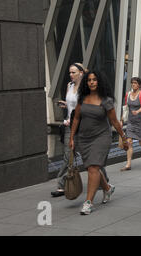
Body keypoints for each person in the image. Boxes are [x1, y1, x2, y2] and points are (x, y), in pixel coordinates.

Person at [70, 70, 127, 215]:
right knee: (92, 168)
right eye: (89, 80)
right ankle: (107, 189)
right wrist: (71, 138)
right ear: (86, 83)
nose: (91, 82)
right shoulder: (82, 99)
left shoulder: (106, 100)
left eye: (94, 80)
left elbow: (114, 121)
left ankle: (88, 202)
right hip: (84, 138)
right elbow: (76, 119)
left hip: (101, 137)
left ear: (99, 81)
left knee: (93, 168)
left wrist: (123, 137)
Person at [51, 63, 110, 197]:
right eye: (70, 73)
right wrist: (65, 106)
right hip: (70, 125)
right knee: (68, 155)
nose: (71, 75)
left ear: (81, 73)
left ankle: (104, 179)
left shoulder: (87, 88)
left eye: (74, 72)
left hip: (86, 126)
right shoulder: (69, 86)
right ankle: (62, 185)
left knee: (91, 158)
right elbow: (72, 105)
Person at [120, 77, 141, 171]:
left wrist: (137, 111)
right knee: (129, 142)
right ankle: (128, 164)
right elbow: (125, 108)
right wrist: (122, 120)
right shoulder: (128, 94)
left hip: (140, 122)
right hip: (130, 122)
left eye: (135, 83)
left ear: (139, 85)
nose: (133, 85)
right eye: (132, 83)